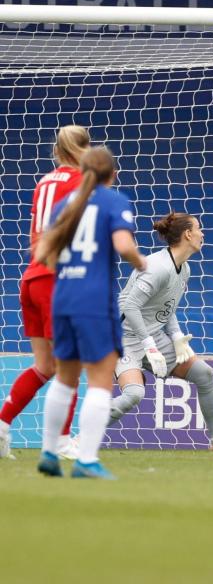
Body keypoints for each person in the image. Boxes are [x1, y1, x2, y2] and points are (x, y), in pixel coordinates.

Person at [35, 146, 147, 479]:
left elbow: (42, 253)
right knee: (100, 381)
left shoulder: (64, 205)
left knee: (65, 378)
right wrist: (141, 263)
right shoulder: (113, 201)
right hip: (94, 302)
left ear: (83, 171)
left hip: (63, 297)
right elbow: (124, 245)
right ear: (112, 174)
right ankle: (85, 460)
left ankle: (49, 452)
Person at [109, 212, 213, 451]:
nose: (202, 234)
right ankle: (79, 439)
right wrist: (148, 344)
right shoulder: (157, 268)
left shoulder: (184, 269)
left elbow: (166, 309)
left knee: (204, 374)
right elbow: (129, 306)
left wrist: (177, 337)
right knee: (134, 395)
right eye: (199, 229)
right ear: (188, 234)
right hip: (124, 338)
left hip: (155, 337)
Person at [0, 126, 90, 461]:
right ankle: (62, 441)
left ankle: (2, 425)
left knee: (44, 365)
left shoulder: (44, 182)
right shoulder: (82, 182)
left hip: (32, 278)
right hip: (57, 280)